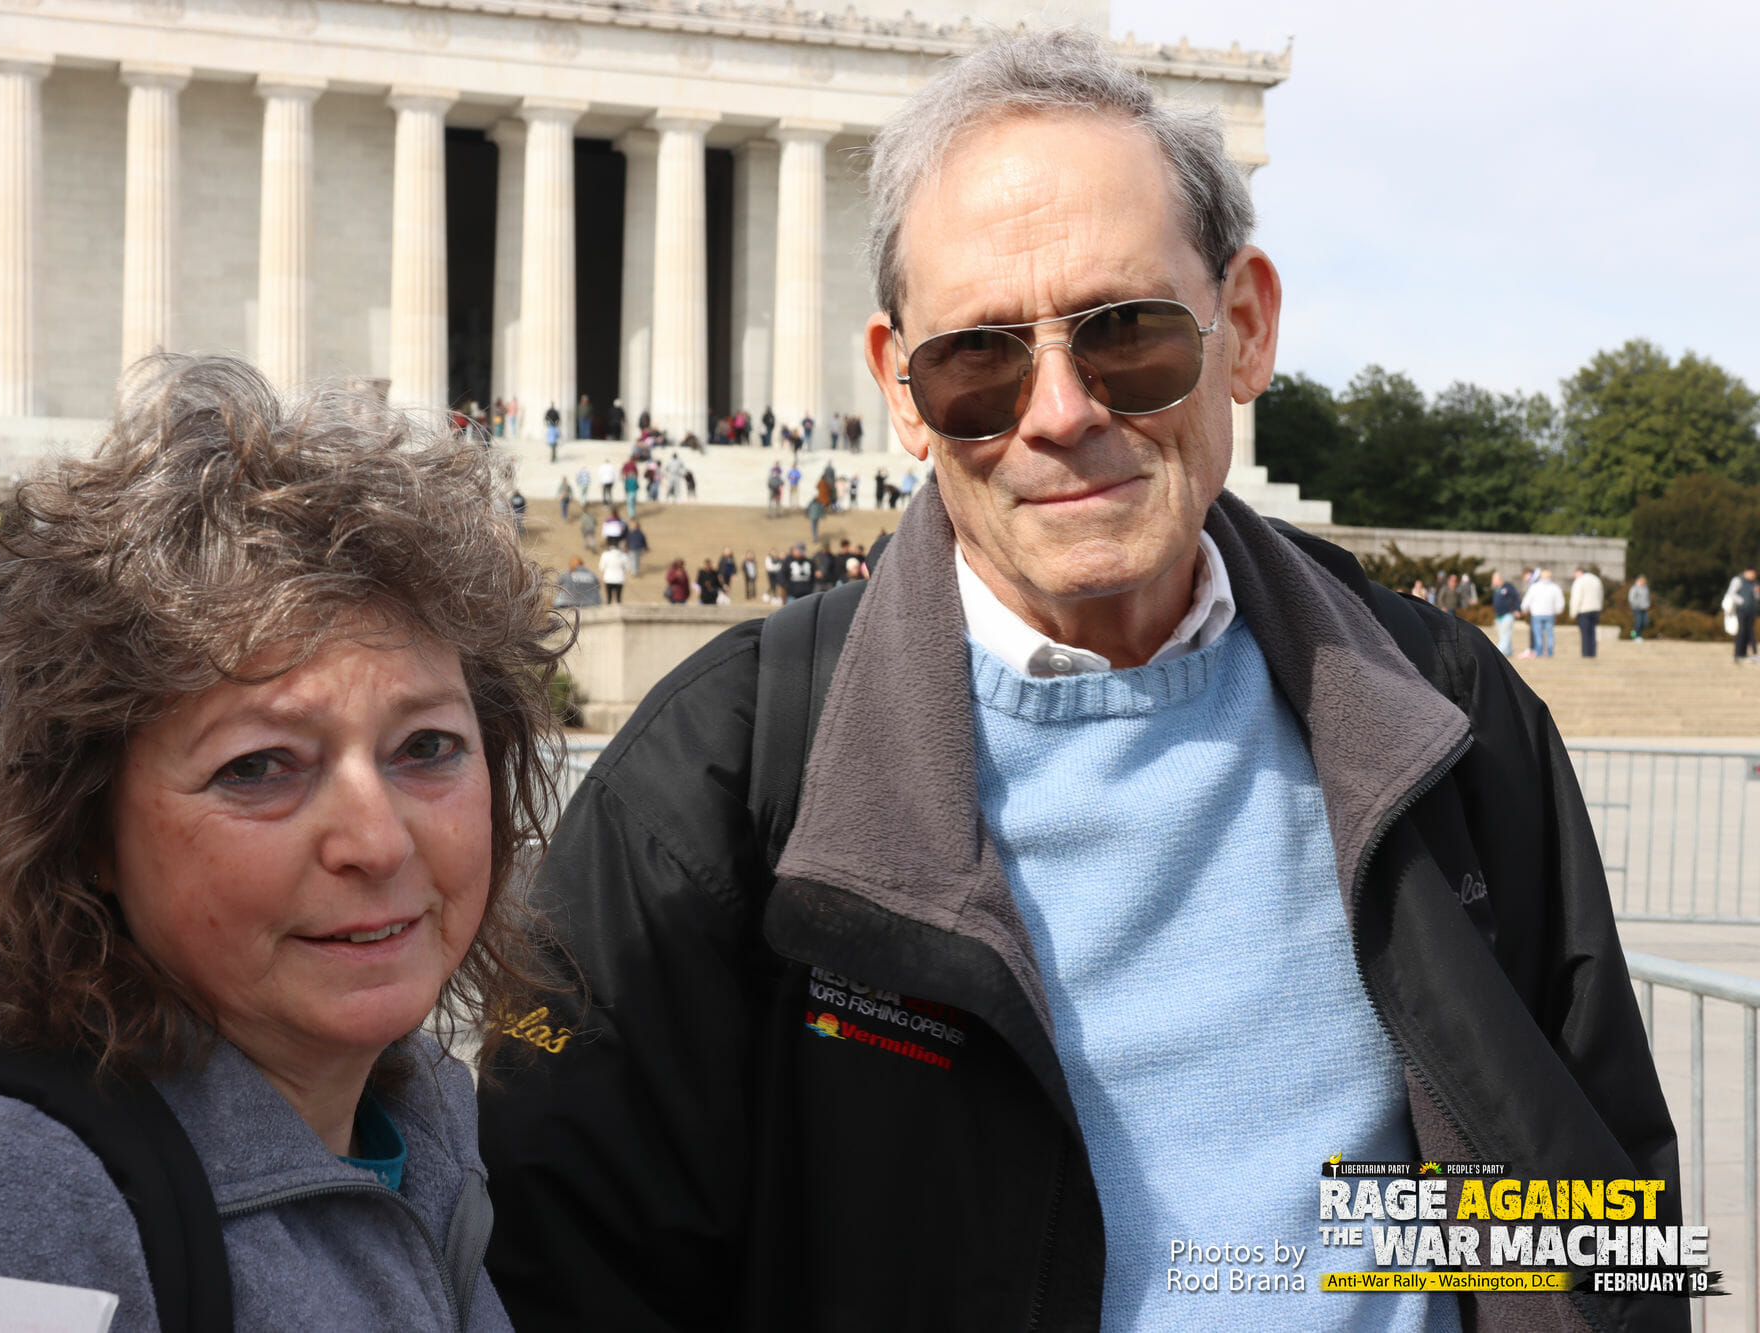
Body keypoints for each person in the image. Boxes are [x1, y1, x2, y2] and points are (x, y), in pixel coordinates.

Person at [476, 29, 1677, 1333]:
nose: (1058, 412)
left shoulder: (1445, 711)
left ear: (1247, 326)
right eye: (978, 362)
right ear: (902, 391)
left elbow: (1596, 1205)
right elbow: (569, 1267)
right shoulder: (719, 777)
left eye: (1128, 335)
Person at [0, 355, 543, 1332]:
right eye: (260, 765)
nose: (376, 839)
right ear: (86, 823)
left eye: (428, 747)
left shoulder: (422, 1111)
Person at [1521, 568, 1564, 657]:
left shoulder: (1534, 587)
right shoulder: (1555, 587)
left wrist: (1524, 608)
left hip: (1536, 614)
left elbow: (1527, 600)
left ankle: (1539, 653)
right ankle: (1549, 653)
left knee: (1538, 635)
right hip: (1549, 614)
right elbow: (1560, 602)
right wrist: (1557, 610)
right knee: (1550, 634)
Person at [1569, 566, 1604, 658]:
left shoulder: (1579, 581)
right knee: (1592, 632)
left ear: (1579, 572)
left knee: (1585, 633)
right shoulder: (1596, 580)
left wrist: (1573, 612)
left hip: (1584, 610)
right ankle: (1592, 653)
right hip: (1595, 609)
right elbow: (1600, 595)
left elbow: (1577, 598)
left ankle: (1586, 654)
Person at [1728, 566, 1759, 664]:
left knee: (1749, 632)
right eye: (1752, 573)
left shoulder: (1755, 583)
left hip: (1751, 610)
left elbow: (1757, 598)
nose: (1753, 576)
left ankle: (1747, 653)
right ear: (1746, 572)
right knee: (1742, 630)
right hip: (1741, 610)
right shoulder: (1738, 580)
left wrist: (1757, 592)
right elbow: (1731, 593)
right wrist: (1742, 601)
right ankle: (1738, 653)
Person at [1490, 571, 1520, 656]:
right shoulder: (1497, 589)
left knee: (1505, 634)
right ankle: (1509, 652)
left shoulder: (1508, 588)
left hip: (1508, 614)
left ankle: (1499, 653)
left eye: (1493, 579)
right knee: (1503, 634)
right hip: (1499, 616)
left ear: (1499, 579)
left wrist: (1517, 609)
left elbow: (1516, 598)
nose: (1492, 581)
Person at [1627, 575, 1651, 640]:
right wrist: (1636, 605)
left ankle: (1636, 634)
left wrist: (1648, 604)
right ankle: (1635, 636)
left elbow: (1647, 598)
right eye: (1643, 580)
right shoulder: (1634, 588)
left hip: (1644, 608)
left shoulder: (1646, 588)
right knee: (1638, 622)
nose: (1644, 582)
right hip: (1637, 608)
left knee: (1645, 622)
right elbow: (1631, 598)